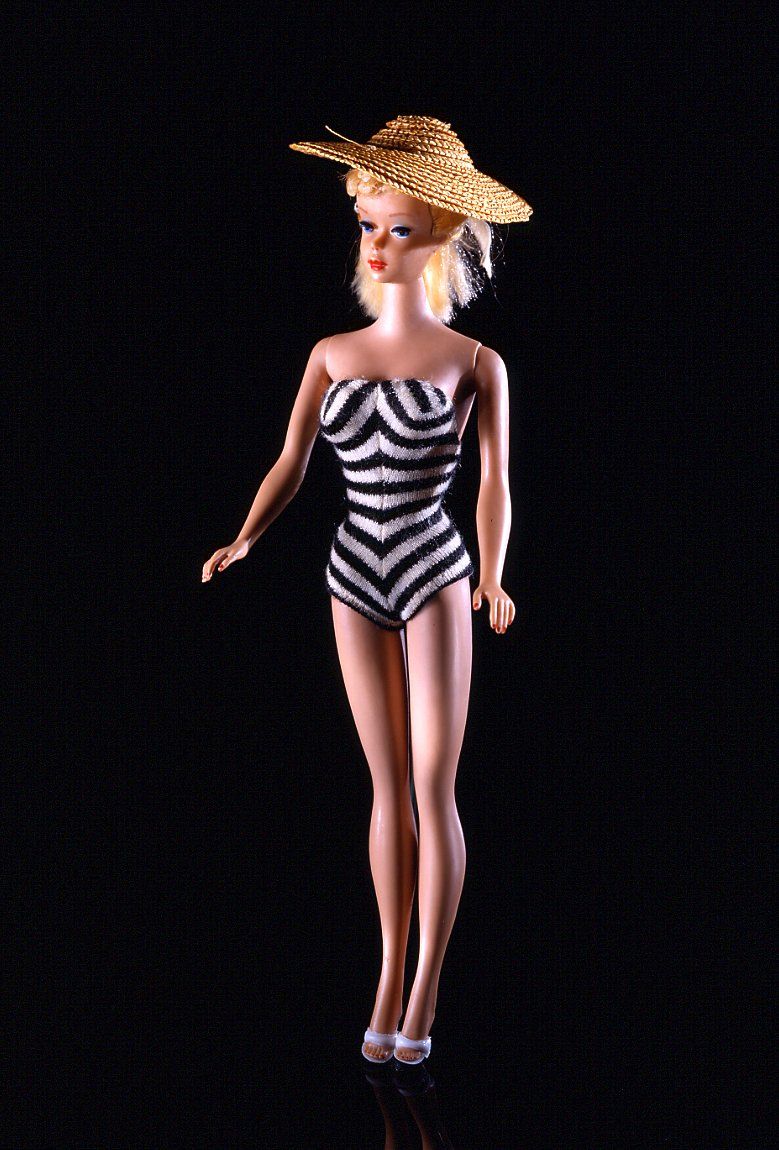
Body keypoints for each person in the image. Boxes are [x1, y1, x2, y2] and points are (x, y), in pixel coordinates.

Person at [201, 115, 532, 1064]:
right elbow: (292, 461)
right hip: (351, 568)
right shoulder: (329, 354)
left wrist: (494, 574)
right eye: (368, 226)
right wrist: (246, 535)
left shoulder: (476, 362)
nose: (379, 245)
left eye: (400, 229)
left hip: (434, 567)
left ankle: (425, 991)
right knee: (386, 786)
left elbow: (494, 482)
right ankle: (389, 973)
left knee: (433, 784)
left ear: (441, 237)